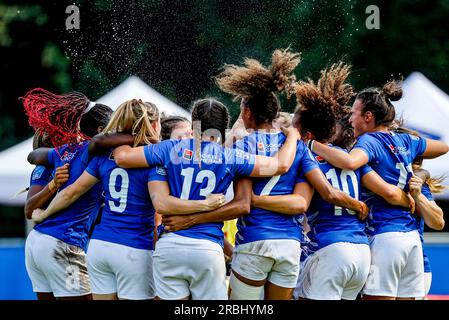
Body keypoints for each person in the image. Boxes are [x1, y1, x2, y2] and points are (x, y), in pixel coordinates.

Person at [31, 99, 225, 300]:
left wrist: (44, 213)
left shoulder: (104, 156)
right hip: (134, 249)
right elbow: (162, 204)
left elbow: (70, 192)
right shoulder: (154, 159)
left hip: (100, 246)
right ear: (155, 124)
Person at [111, 97, 300, 300]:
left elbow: (122, 157)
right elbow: (281, 165)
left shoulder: (169, 148)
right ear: (223, 127)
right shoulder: (231, 156)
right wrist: (292, 137)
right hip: (207, 248)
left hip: (170, 246)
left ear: (194, 123)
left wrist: (127, 127)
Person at [216, 52, 369, 300]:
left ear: (246, 114)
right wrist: (358, 205)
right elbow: (313, 197)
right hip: (290, 245)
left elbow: (240, 197)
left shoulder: (242, 147)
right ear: (276, 115)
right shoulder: (298, 148)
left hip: (254, 241)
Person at [309, 80, 449, 299]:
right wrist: (419, 169)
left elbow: (349, 162)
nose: (350, 118)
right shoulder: (405, 140)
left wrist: (310, 144)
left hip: (386, 238)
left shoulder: (369, 141)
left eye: (354, 113)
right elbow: (444, 146)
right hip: (411, 239)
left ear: (368, 116)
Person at [288, 64, 414, 300]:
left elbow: (313, 199)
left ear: (306, 135)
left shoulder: (305, 158)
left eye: (294, 129)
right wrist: (410, 199)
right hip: (361, 253)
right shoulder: (354, 158)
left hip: (330, 248)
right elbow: (387, 190)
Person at [23, 88, 113, 300]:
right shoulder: (95, 151)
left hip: (38, 242)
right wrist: (54, 184)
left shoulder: (68, 151)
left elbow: (33, 155)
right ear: (101, 130)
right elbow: (29, 208)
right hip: (62, 242)